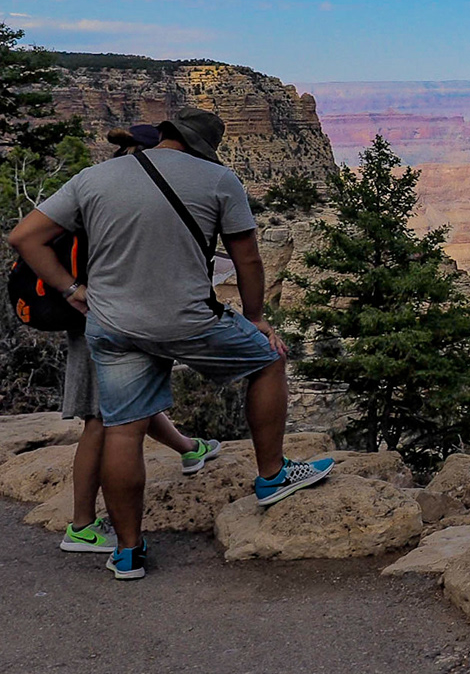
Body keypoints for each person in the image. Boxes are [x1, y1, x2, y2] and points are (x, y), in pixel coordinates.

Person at [6, 108, 332, 580]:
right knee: (268, 361)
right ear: (202, 147)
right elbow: (249, 260)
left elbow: (24, 237)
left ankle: (129, 552)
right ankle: (272, 476)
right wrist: (256, 317)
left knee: (123, 430)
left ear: (163, 135)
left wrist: (71, 290)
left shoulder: (94, 177)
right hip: (187, 319)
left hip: (112, 323)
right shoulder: (219, 179)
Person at [55, 125, 224, 555]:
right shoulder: (121, 193)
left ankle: (189, 448)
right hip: (104, 315)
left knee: (127, 403)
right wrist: (73, 290)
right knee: (102, 418)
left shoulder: (99, 185)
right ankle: (81, 526)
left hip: (99, 313)